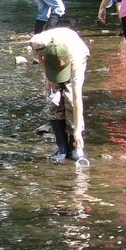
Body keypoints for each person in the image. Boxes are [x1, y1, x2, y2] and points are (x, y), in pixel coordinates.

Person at [29, 18, 90, 164]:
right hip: (54, 52)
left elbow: (77, 99)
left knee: (69, 97)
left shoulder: (76, 59)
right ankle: (61, 147)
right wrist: (47, 74)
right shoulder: (37, 42)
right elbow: (39, 55)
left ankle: (74, 144)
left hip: (74, 53)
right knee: (54, 99)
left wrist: (77, 131)